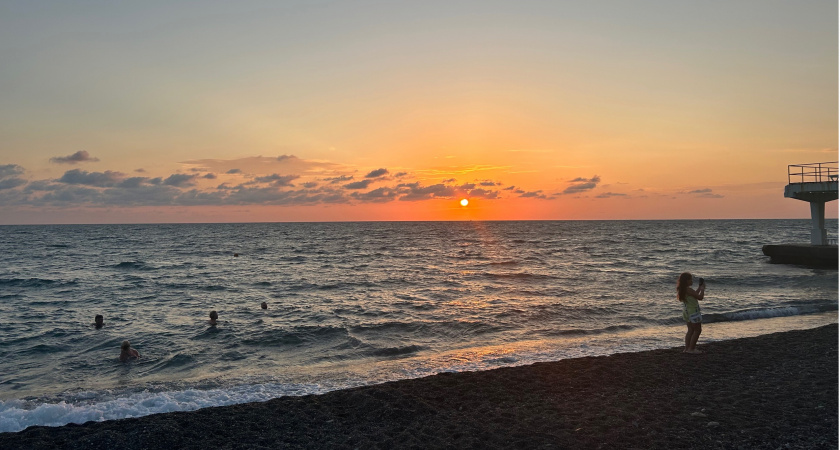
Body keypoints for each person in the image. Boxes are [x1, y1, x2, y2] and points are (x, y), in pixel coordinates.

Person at [677, 272, 706, 354]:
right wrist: (703, 289)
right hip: (694, 312)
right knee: (697, 330)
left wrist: (699, 288)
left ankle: (687, 348)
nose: (692, 281)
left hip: (687, 312)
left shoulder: (683, 290)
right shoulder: (688, 289)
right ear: (686, 281)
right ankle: (691, 349)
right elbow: (700, 297)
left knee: (690, 330)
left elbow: (694, 295)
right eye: (690, 279)